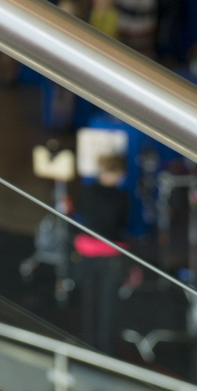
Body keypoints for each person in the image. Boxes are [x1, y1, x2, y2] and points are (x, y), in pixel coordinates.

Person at [70, 152, 132, 357]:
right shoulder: (122, 197)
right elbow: (121, 226)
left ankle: (88, 348)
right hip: (111, 255)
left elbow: (80, 216)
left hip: (87, 253)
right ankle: (105, 352)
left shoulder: (87, 192)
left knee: (89, 304)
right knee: (108, 305)